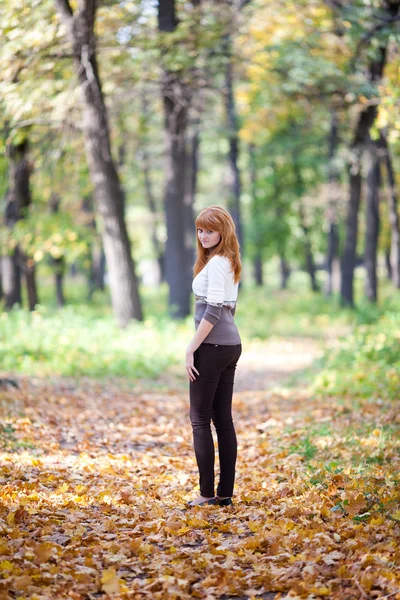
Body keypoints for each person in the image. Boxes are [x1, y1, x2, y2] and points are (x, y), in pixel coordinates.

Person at [186, 205, 242, 507]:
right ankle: (224, 494)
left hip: (214, 348)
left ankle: (207, 494)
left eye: (209, 230)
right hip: (229, 345)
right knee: (222, 420)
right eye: (200, 229)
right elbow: (230, 308)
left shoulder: (219, 262)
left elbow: (215, 309)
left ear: (223, 231)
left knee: (200, 420)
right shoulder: (227, 261)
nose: (203, 235)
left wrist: (192, 347)